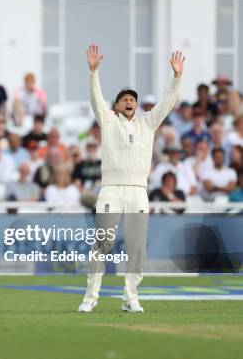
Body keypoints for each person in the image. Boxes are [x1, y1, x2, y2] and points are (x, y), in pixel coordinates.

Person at [78, 44, 184, 314]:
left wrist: (176, 78)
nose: (129, 102)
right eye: (125, 99)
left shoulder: (147, 123)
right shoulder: (109, 121)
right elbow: (95, 99)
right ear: (116, 105)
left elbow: (168, 103)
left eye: (132, 99)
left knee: (137, 247)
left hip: (138, 191)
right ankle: (90, 297)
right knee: (102, 243)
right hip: (111, 189)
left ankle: (130, 297)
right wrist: (93, 73)